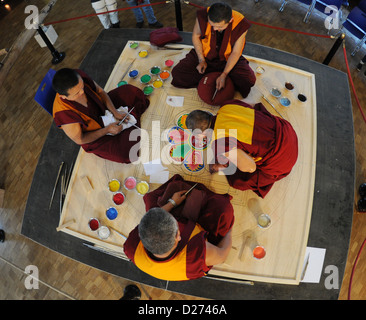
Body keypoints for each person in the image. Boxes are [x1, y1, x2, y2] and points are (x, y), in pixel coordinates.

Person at [123, 174, 234, 281]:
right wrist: (230, 230)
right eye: (177, 224)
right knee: (224, 208)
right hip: (190, 251)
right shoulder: (195, 256)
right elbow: (222, 255)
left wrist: (172, 203)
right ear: (178, 237)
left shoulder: (131, 247)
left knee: (153, 199)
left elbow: (152, 218)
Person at [186, 100, 298, 198]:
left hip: (284, 155)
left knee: (237, 180)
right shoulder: (226, 106)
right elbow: (252, 107)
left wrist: (224, 161)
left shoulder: (220, 143)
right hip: (286, 131)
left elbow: (251, 167)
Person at [52, 68, 150, 163]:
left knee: (130, 91)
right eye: (77, 93)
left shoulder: (79, 76)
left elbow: (100, 92)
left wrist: (115, 112)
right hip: (94, 133)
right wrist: (107, 130)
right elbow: (81, 139)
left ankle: (130, 122)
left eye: (82, 87)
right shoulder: (64, 114)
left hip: (102, 109)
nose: (82, 92)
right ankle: (132, 116)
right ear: (63, 97)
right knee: (128, 154)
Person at [171, 2, 256, 99]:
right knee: (177, 73)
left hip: (227, 58)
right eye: (212, 25)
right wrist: (201, 59)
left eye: (219, 27)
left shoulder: (240, 23)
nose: (214, 29)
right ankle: (216, 78)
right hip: (205, 54)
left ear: (230, 20)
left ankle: (218, 77)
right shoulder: (203, 15)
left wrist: (224, 74)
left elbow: (236, 52)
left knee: (249, 80)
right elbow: (196, 36)